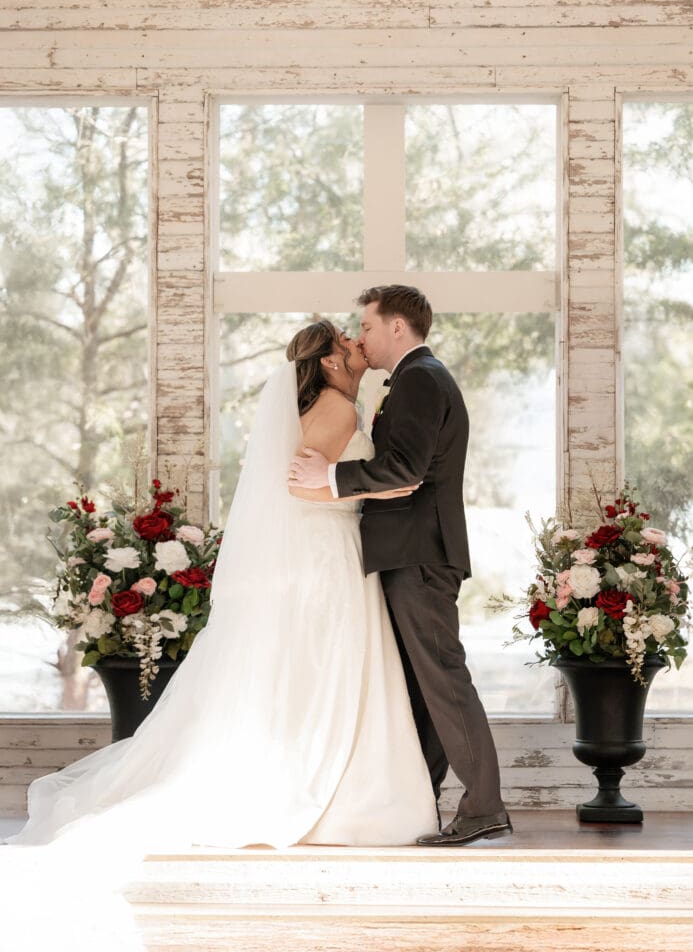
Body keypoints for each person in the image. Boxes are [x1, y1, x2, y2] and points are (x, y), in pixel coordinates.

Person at [4, 319, 437, 859]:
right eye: (346, 342)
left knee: (317, 668)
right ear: (328, 360)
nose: (355, 344)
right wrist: (382, 490)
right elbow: (302, 487)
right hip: (327, 553)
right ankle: (335, 793)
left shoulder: (323, 405)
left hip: (325, 550)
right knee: (332, 665)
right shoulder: (338, 407)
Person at [289, 286, 512, 846]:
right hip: (411, 553)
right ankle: (423, 803)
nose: (359, 335)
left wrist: (330, 480)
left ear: (396, 328)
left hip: (419, 554)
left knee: (442, 681)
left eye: (366, 325)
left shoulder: (419, 378)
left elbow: (406, 472)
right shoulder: (418, 379)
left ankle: (484, 806)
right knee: (421, 687)